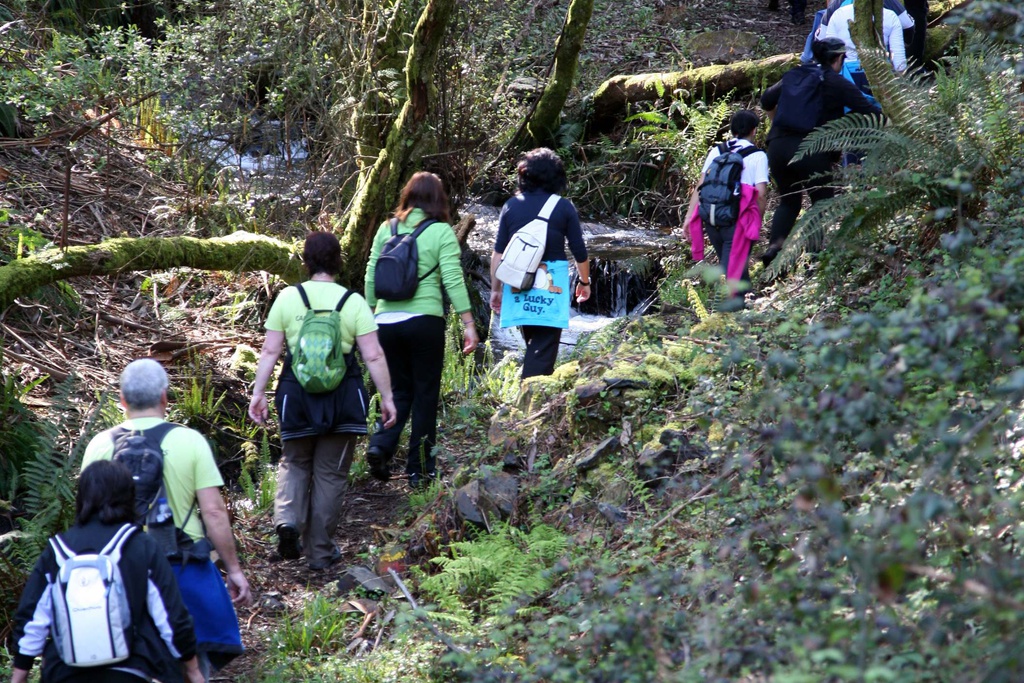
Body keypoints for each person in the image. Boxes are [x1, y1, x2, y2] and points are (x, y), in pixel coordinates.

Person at [83, 359, 251, 680]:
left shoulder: (98, 446)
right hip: (182, 567)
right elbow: (214, 512)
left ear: (122, 400)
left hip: (118, 571)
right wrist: (233, 570)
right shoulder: (190, 441)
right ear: (164, 397)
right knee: (191, 660)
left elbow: (86, 519)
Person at [248, 231, 397, 568]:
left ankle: (287, 520)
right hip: (342, 398)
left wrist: (258, 393)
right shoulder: (353, 301)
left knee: (295, 462)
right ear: (337, 262)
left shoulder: (288, 298)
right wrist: (387, 397)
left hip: (295, 395)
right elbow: (373, 356)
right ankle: (319, 553)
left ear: (306, 261)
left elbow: (271, 350)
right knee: (330, 474)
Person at [11, 459, 204, 683]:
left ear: (82, 497)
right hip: (134, 670)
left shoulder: (57, 550)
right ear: (129, 496)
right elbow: (170, 616)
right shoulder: (141, 546)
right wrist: (192, 668)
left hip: (65, 673)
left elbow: (32, 617)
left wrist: (19, 673)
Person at [362, 172, 478, 490]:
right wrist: (469, 324)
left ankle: (381, 445)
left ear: (408, 197)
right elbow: (453, 279)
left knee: (398, 391)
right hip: (425, 322)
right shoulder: (440, 232)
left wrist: (373, 315)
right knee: (425, 396)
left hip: (385, 322)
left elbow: (372, 273)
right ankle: (420, 471)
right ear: (438, 200)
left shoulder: (387, 228)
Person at [759, 37, 883, 265]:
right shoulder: (836, 82)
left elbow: (766, 100)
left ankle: (774, 248)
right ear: (837, 59)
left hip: (777, 146)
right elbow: (869, 111)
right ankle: (813, 258)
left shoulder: (794, 75)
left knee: (788, 201)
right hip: (811, 149)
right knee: (821, 203)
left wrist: (776, 121)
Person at [490, 147, 591, 379]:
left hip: (517, 282)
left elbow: (498, 254)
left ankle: (529, 397)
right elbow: (579, 251)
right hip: (551, 284)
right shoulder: (564, 207)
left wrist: (495, 290)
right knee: (543, 349)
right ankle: (528, 402)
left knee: (535, 346)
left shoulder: (510, 206)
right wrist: (585, 281)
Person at [684, 109, 769, 300]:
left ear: (732, 130)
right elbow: (761, 194)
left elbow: (701, 185)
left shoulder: (717, 150)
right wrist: (757, 220)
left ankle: (746, 299)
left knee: (732, 262)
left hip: (712, 218)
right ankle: (729, 314)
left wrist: (689, 217)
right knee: (731, 269)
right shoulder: (758, 156)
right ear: (754, 131)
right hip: (738, 220)